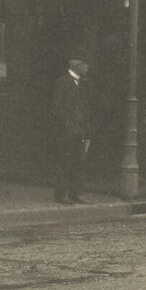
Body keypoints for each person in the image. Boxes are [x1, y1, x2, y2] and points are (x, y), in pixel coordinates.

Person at [49, 53, 94, 204]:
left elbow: (86, 109)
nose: (87, 67)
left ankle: (76, 193)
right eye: (85, 64)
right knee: (65, 161)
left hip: (80, 130)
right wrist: (67, 123)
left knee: (79, 162)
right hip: (67, 131)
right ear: (77, 65)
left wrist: (87, 132)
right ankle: (61, 194)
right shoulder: (63, 82)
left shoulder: (82, 84)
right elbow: (55, 107)